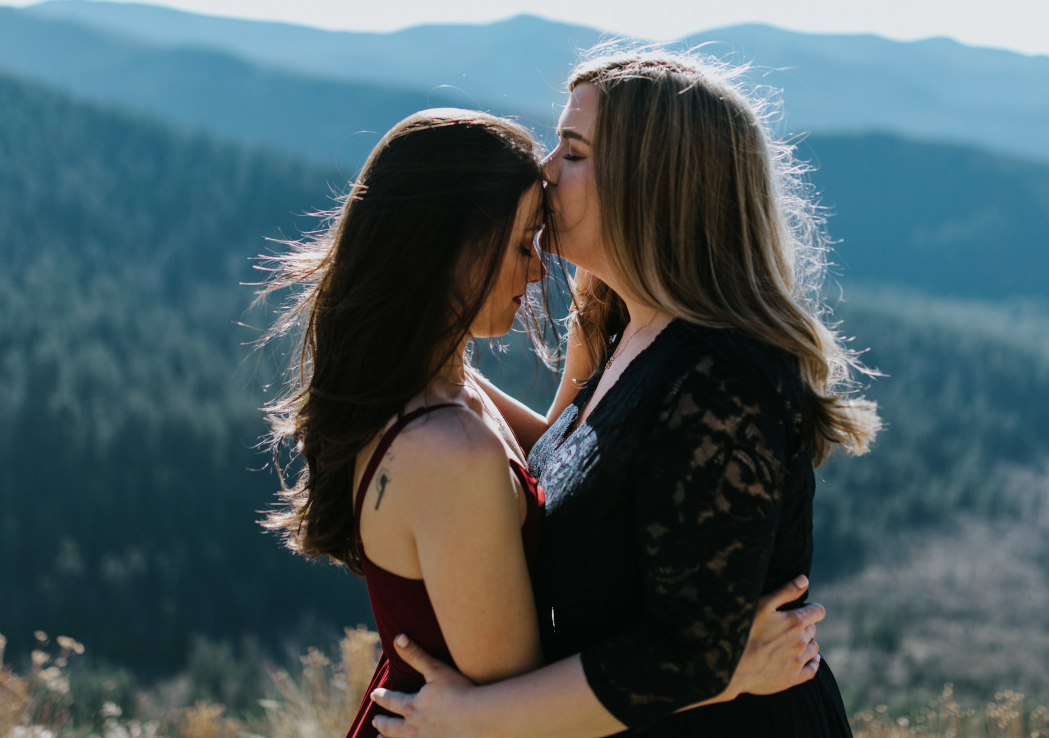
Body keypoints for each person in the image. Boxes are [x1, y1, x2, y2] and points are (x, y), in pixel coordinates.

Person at [259, 109, 826, 738]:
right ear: (449, 247)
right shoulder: (450, 449)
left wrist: (607, 297)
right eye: (520, 243)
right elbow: (523, 714)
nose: (535, 273)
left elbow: (566, 463)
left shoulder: (446, 390)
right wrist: (719, 671)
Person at [369, 52, 880, 737]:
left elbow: (683, 655)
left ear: (652, 183)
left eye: (572, 151)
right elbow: (553, 465)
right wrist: (414, 329)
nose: (545, 169)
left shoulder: (720, 379)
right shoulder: (621, 325)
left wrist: (472, 718)